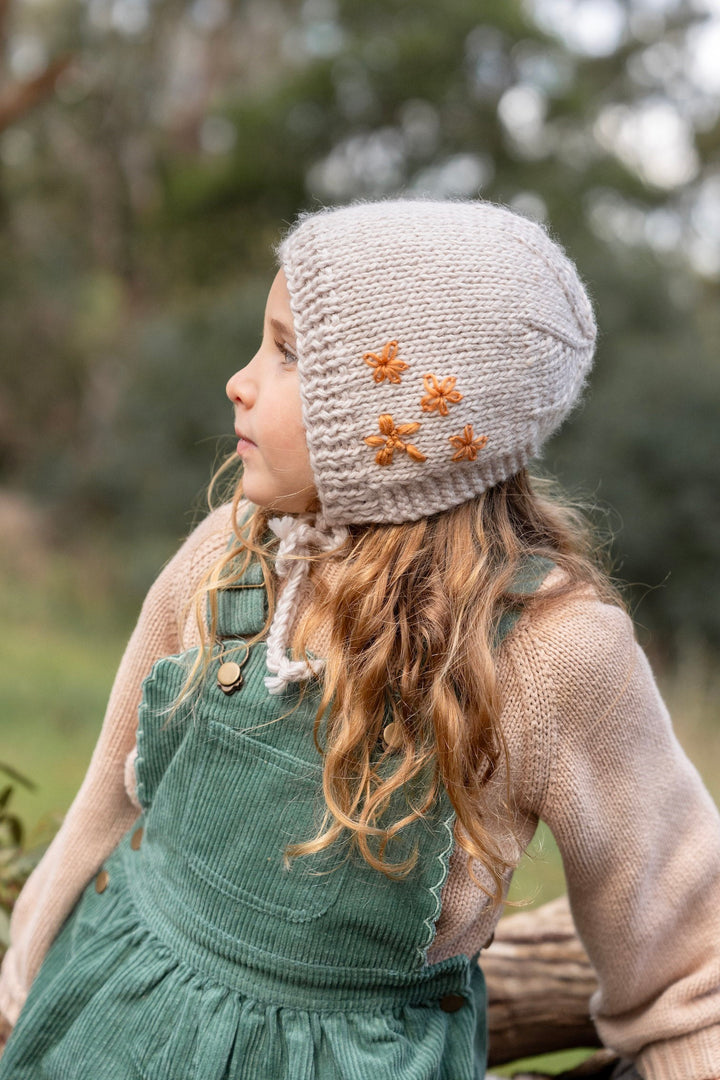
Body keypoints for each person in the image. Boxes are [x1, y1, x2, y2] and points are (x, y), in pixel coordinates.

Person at [0, 199, 719, 1079]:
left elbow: (690, 959)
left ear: (402, 420)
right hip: (117, 1021)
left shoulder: (551, 653)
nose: (242, 378)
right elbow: (108, 797)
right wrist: (27, 970)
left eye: (290, 351)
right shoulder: (230, 558)